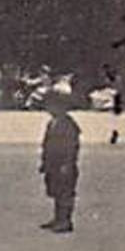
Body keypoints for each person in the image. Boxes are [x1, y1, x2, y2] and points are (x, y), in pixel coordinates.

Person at [38, 80, 80, 233]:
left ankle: (65, 221)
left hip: (64, 165)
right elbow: (47, 144)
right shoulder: (52, 123)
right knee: (56, 191)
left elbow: (72, 147)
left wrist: (67, 164)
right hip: (53, 164)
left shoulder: (68, 124)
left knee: (65, 193)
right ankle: (58, 218)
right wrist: (44, 162)